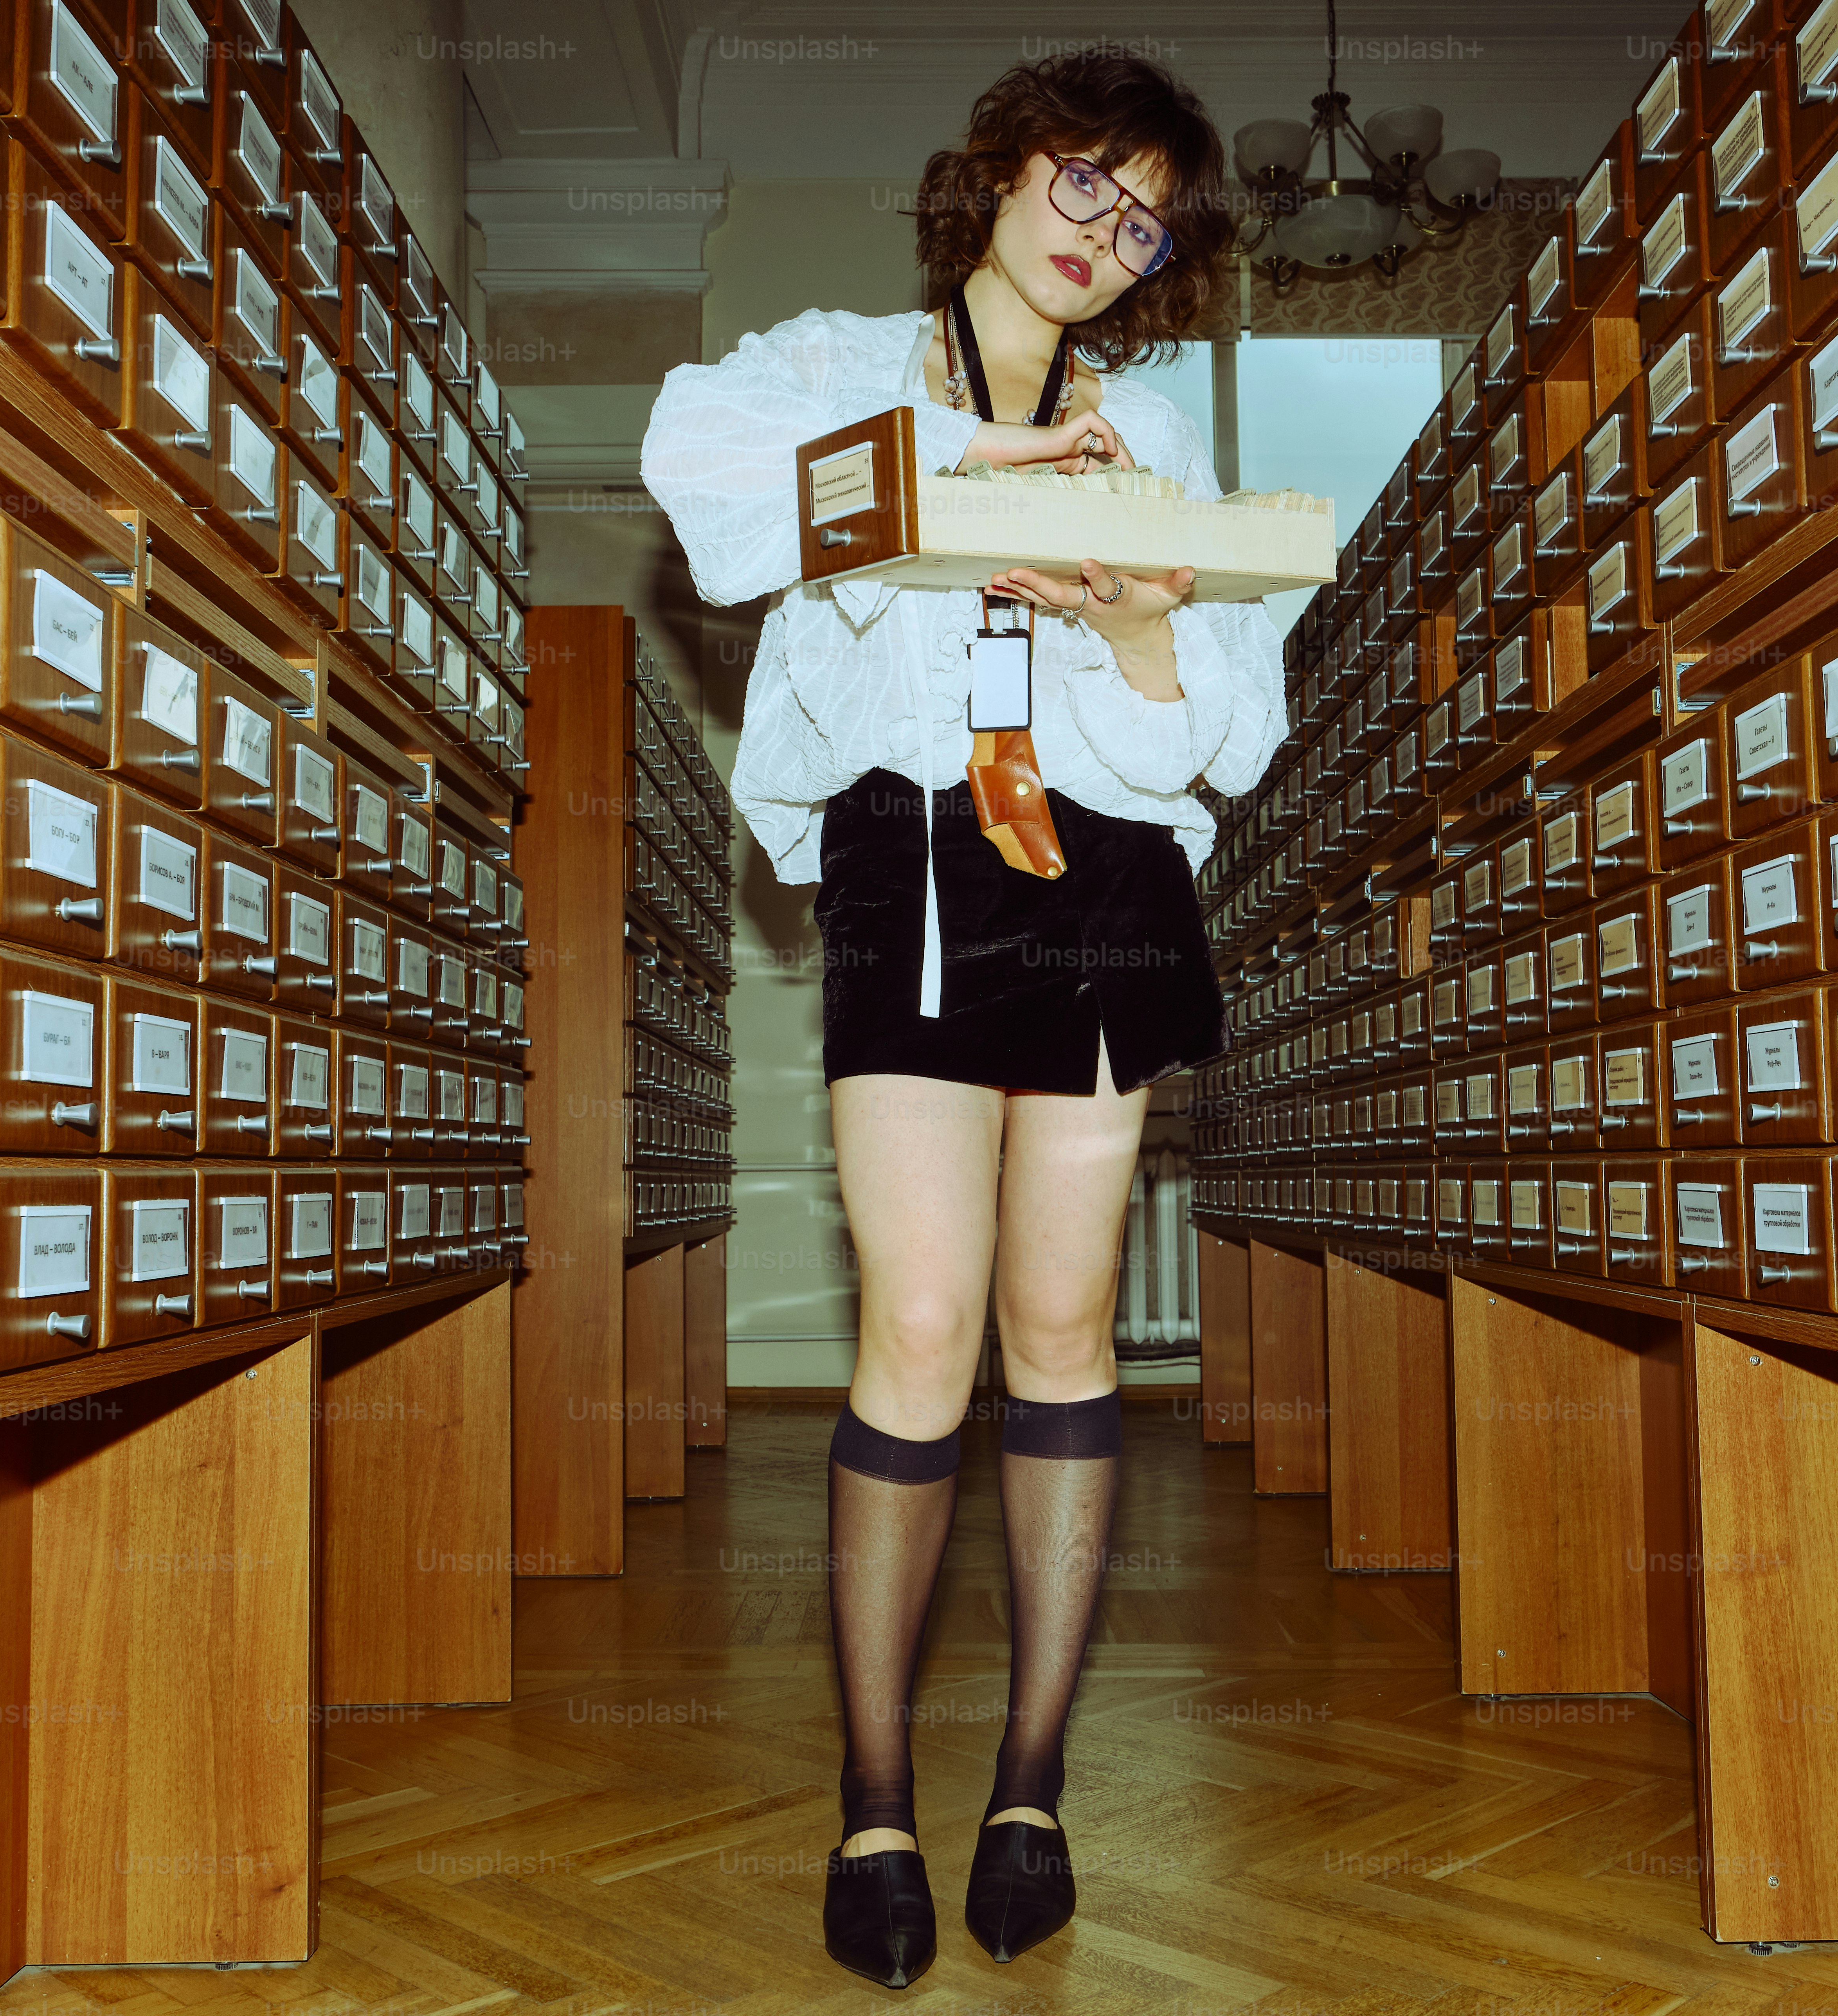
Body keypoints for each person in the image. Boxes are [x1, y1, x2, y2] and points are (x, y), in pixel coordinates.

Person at [639, 47, 1285, 1987]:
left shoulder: (1159, 433)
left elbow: (1227, 728)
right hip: (912, 854)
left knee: (1064, 1329)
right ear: (999, 174)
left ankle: (1028, 1785)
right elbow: (712, 487)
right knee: (917, 1329)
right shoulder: (839, 361)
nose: (1110, 237)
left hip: (1102, 869)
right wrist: (983, 472)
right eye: (1087, 187)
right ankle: (871, 1800)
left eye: (1148, 217)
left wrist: (1139, 616)